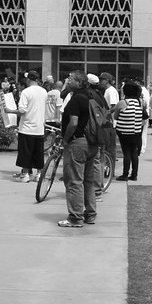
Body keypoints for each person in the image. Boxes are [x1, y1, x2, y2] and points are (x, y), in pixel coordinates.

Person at [58, 71, 97, 227]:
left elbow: (73, 123)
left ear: (79, 82)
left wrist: (65, 139)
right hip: (92, 142)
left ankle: (75, 217)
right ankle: (90, 214)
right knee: (88, 181)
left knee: (74, 181)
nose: (68, 81)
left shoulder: (76, 99)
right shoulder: (92, 96)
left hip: (78, 143)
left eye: (71, 79)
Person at [8, 70, 47, 183]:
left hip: (26, 127)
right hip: (39, 127)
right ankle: (39, 174)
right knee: (38, 153)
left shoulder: (26, 92)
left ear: (28, 79)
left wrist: (10, 110)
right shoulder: (44, 91)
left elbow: (22, 110)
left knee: (25, 152)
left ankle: (25, 174)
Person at [113, 81, 146, 181]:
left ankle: (125, 174)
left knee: (126, 152)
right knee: (134, 153)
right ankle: (134, 174)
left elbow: (115, 116)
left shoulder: (122, 103)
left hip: (124, 131)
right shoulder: (140, 102)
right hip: (136, 131)